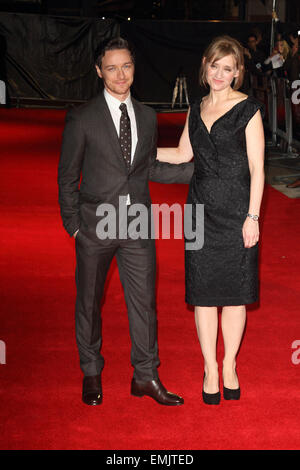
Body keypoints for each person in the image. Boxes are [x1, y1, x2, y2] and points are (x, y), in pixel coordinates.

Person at [58, 37, 193, 406]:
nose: (121, 74)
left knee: (145, 303)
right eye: (112, 67)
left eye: (127, 66)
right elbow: (67, 176)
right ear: (100, 71)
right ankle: (91, 371)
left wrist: (201, 173)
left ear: (135, 69)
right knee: (89, 302)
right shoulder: (82, 117)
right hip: (94, 224)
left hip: (136, 222)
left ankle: (146, 376)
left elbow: (148, 168)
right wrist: (74, 226)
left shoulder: (148, 117)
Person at [157, 35, 265, 405]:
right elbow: (182, 153)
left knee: (234, 297)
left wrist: (253, 216)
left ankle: (230, 363)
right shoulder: (195, 106)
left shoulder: (248, 109)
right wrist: (137, 151)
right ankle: (210, 367)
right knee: (203, 295)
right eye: (214, 66)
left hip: (237, 211)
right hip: (200, 211)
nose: (219, 74)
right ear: (205, 65)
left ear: (237, 73)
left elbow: (258, 168)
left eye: (228, 69)